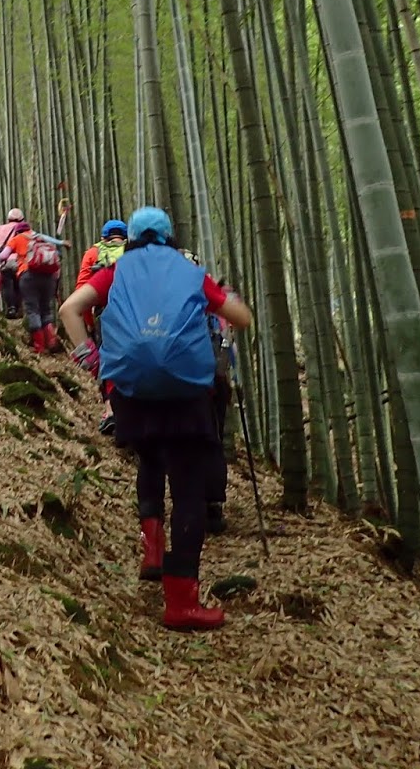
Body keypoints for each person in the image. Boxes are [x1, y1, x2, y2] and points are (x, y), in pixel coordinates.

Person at [59, 206, 253, 632]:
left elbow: (70, 309)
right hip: (187, 395)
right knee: (188, 489)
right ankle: (181, 601)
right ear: (168, 236)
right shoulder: (189, 272)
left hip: (131, 393)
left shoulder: (116, 271)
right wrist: (227, 297)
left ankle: (152, 553)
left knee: (149, 463)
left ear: (132, 236)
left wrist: (92, 361)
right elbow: (240, 318)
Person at [75, 219, 128, 434]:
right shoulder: (133, 252)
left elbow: (82, 290)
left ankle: (110, 411)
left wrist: (88, 323)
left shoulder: (93, 253)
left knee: (107, 362)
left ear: (104, 236)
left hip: (104, 314)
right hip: (133, 314)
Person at [14, 227, 66, 352]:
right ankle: (51, 341)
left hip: (29, 277)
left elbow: (4, 255)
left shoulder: (18, 240)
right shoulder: (43, 241)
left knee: (33, 309)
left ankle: (39, 346)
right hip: (49, 278)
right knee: (46, 310)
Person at [0, 208, 30, 319]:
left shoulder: (0, 229)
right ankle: (18, 309)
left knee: (7, 285)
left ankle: (11, 308)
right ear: (22, 219)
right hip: (20, 264)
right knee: (19, 286)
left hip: (5, 263)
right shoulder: (26, 231)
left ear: (8, 219)